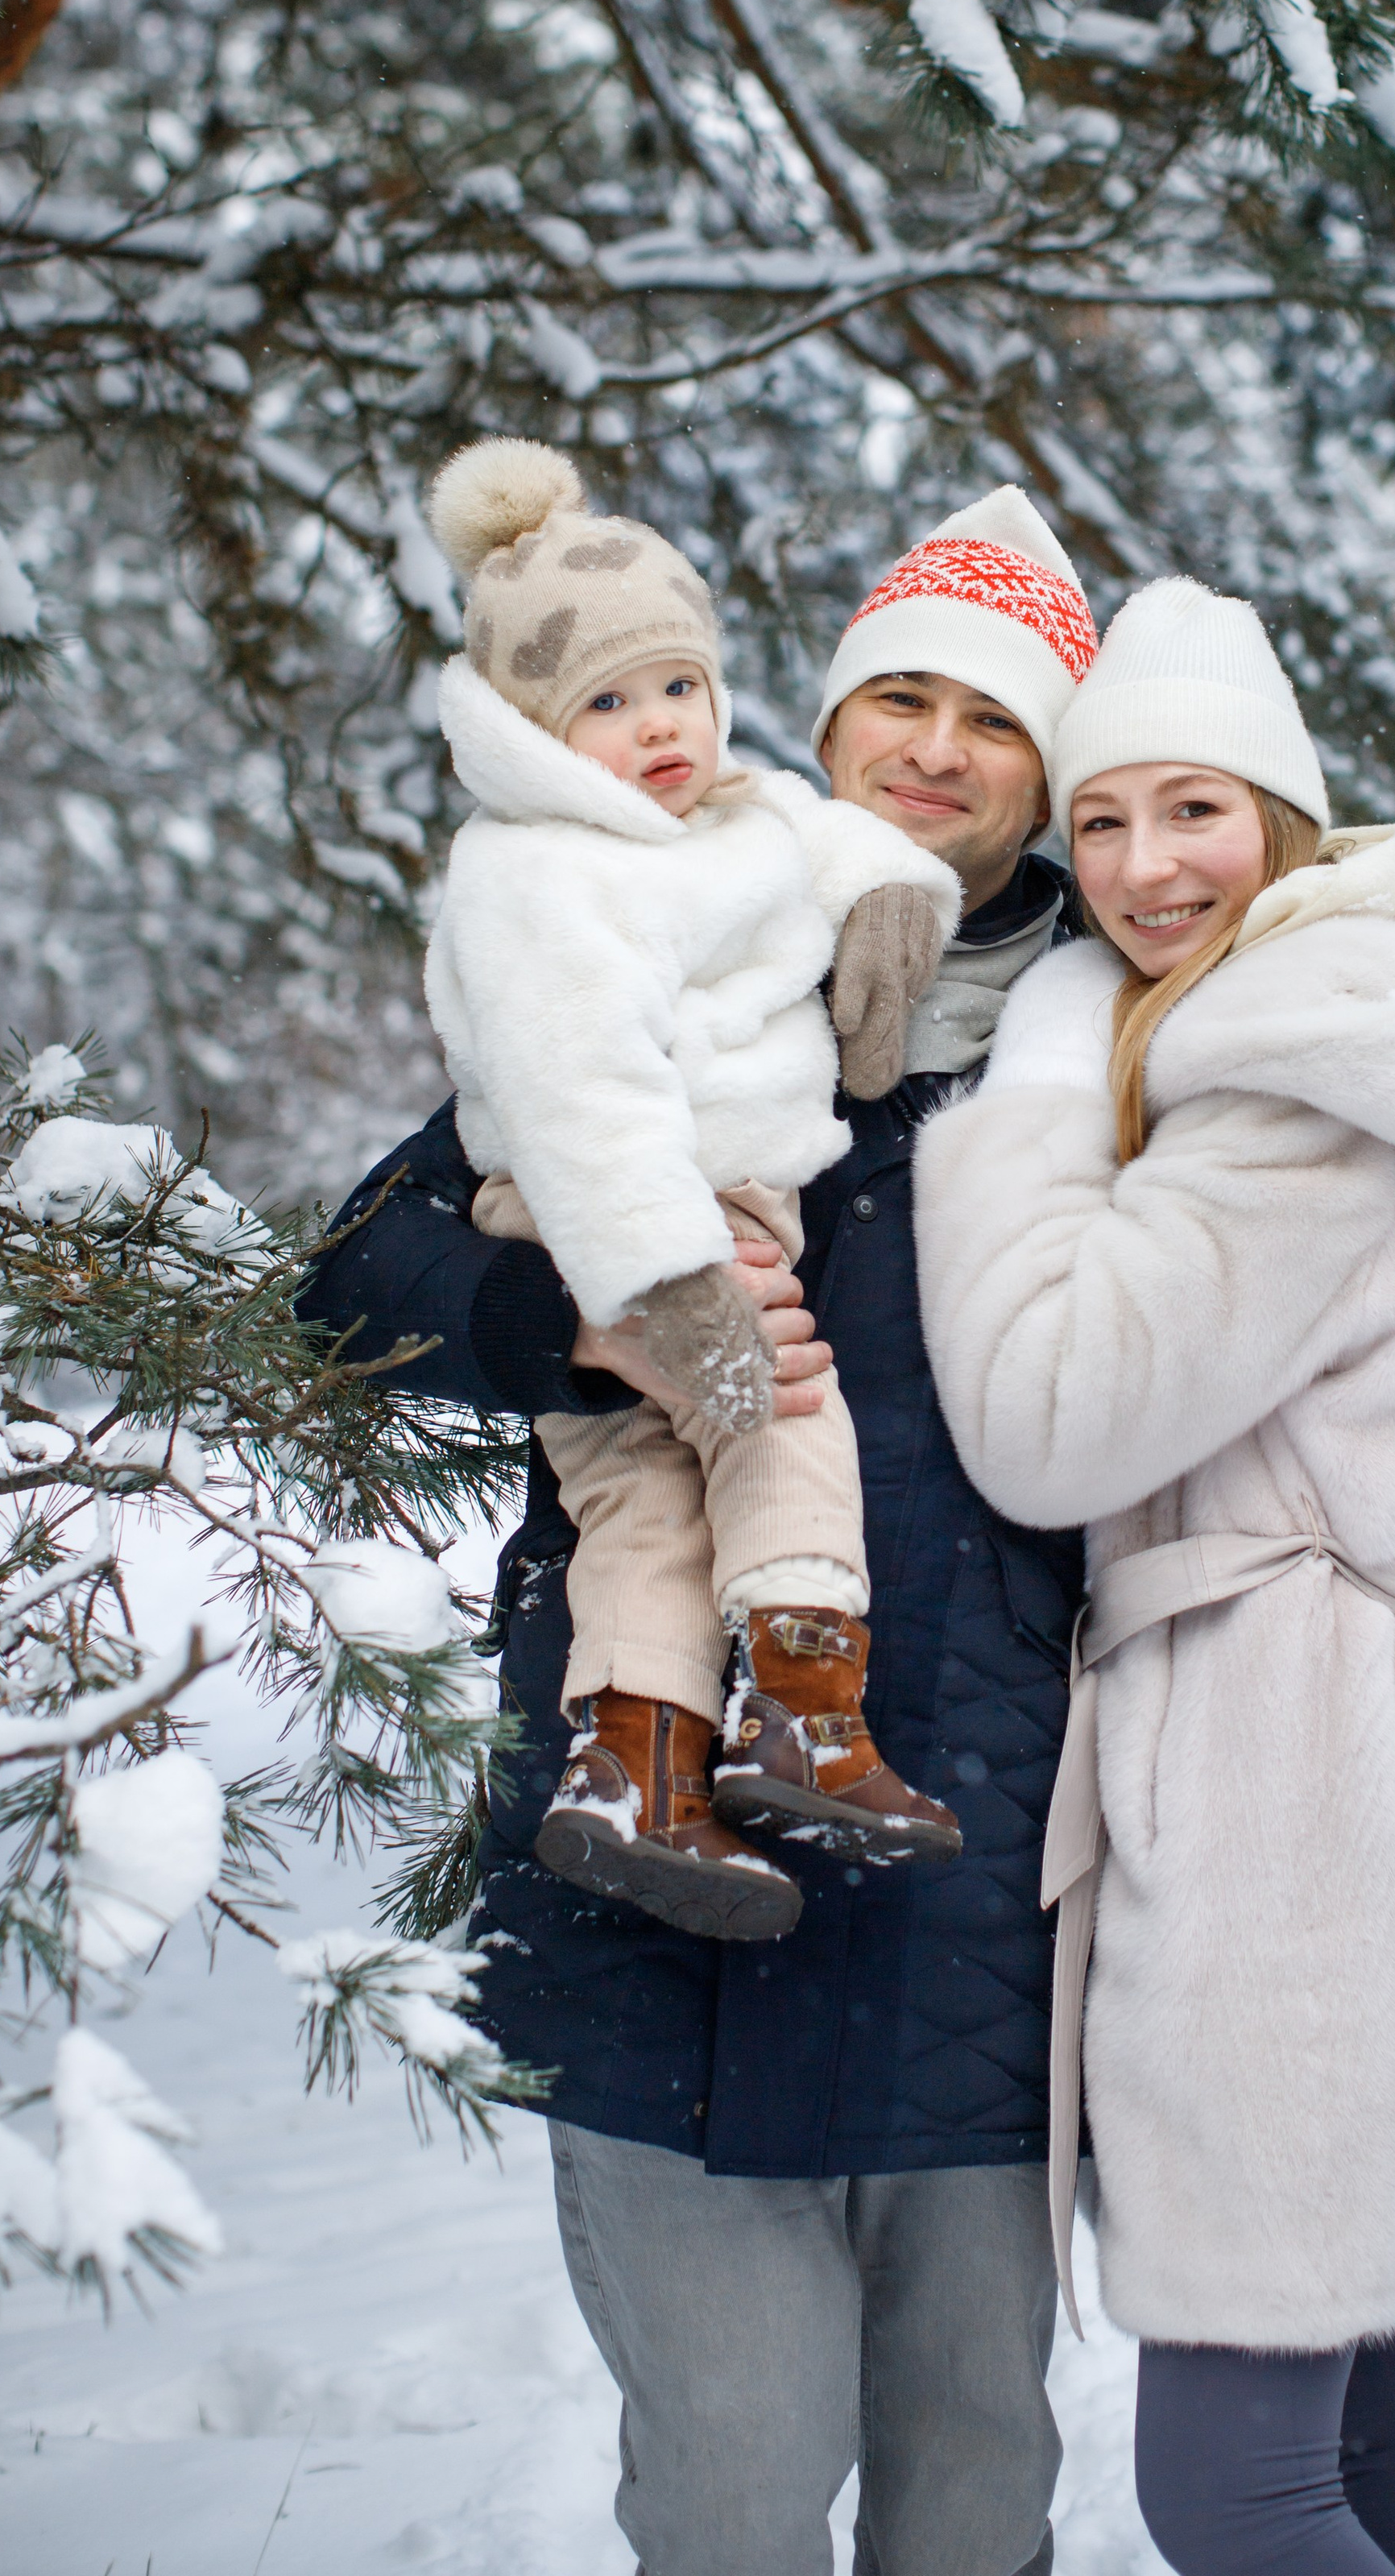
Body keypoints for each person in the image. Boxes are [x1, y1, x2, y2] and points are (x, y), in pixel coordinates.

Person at [300, 497, 1395, 2576]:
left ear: (1056, 780)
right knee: (731, 2491)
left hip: (986, 1888)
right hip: (664, 1843)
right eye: (892, 695)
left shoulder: (1141, 1029)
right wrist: (580, 1323)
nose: (932, 748)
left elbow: (1350, 1325)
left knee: (977, 2488)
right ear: (821, 719)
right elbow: (352, 1277)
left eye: (994, 722)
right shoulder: (664, 949)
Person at [913, 577, 1395, 2575]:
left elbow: (1047, 1415)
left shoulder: (1289, 1089)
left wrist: (1036, 1084)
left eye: (1193, 810)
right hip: (1366, 1768)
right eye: (1101, 822)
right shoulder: (1338, 1033)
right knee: (1370, 2413)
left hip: (1305, 1821)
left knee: (1230, 2479)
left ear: (1285, 825)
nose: (1138, 869)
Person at [418, 434, 965, 1935]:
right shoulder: (536, 868)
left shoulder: (738, 811)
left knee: (645, 1510)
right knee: (782, 1415)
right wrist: (667, 1285)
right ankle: (800, 1708)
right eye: (606, 700)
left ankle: (634, 1774)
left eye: (679, 686)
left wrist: (888, 915)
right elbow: (576, 1090)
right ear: (537, 726)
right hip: (632, 1215)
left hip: (688, 1203)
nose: (659, 726)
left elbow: (843, 846)